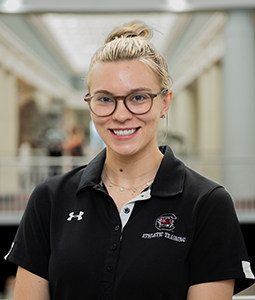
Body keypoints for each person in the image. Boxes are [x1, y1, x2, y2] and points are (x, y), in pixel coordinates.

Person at [5, 21, 255, 300]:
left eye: (138, 97)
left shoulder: (207, 204)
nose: (121, 114)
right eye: (104, 99)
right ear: (90, 105)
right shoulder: (49, 199)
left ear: (165, 102)